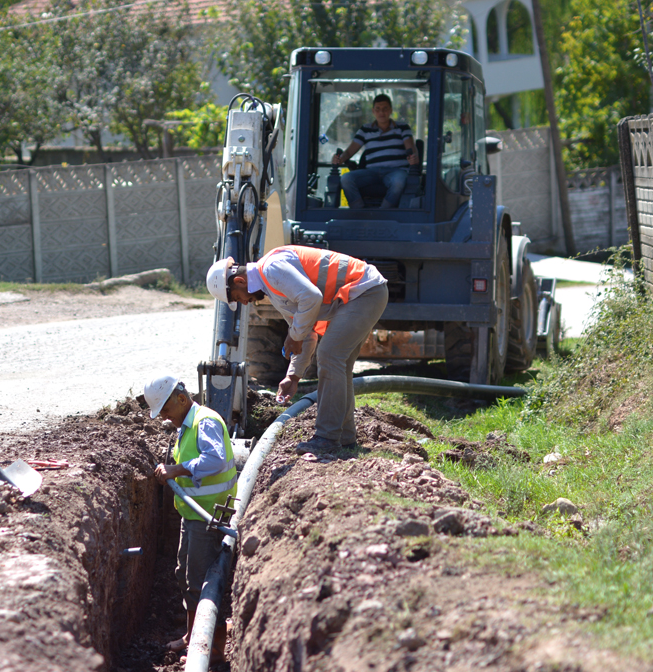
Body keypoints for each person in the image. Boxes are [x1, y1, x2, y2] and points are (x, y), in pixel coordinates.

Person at [206, 245, 388, 454]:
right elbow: (306, 331)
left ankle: (327, 438)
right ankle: (345, 439)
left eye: (238, 298)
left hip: (364, 290)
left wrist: (294, 336)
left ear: (239, 281)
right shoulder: (273, 290)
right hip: (360, 295)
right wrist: (293, 375)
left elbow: (311, 297)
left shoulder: (271, 268)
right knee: (340, 363)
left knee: (329, 356)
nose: (244, 303)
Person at [145, 374, 235, 662]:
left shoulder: (204, 421)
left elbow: (215, 459)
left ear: (181, 399)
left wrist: (176, 470)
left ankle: (215, 650)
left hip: (208, 517)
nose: (165, 418)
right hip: (193, 515)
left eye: (166, 411)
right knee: (185, 578)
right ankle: (192, 636)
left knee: (204, 583)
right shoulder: (186, 424)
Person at [332, 93, 420, 209]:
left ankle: (383, 212)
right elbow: (348, 152)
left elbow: (410, 148)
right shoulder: (365, 129)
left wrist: (413, 157)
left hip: (395, 171)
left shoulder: (402, 128)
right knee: (346, 179)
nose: (381, 113)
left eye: (385, 109)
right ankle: (359, 212)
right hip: (372, 172)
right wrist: (339, 159)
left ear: (390, 110)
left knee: (398, 182)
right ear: (373, 111)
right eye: (378, 109)